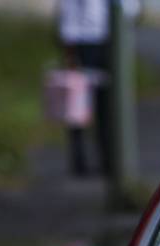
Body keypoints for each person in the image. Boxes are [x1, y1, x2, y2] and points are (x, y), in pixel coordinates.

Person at [56, 0, 139, 176]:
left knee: (108, 104)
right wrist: (70, 49)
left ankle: (109, 158)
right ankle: (80, 159)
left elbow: (131, 9)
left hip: (112, 39)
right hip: (84, 40)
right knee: (79, 103)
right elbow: (69, 10)